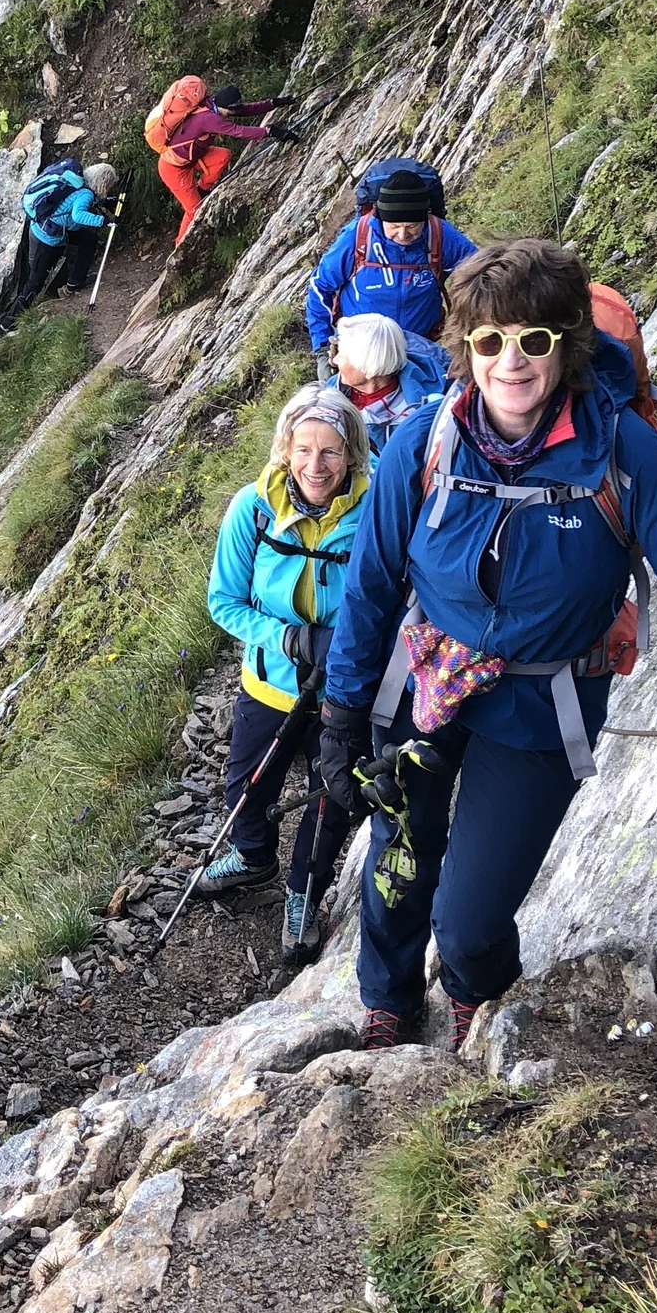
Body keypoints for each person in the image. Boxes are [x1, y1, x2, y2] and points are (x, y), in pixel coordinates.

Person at [317, 239, 657, 1050]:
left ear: (567, 346)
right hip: (426, 680)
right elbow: (371, 586)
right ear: (465, 347)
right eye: (490, 341)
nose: (511, 362)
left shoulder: (624, 453)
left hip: (544, 705)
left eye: (535, 340)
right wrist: (340, 713)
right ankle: (389, 1007)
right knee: (399, 870)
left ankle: (477, 995)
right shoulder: (424, 445)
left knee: (469, 920)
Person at [204, 387, 372, 964]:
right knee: (247, 787)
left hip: (341, 691)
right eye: (304, 449)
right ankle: (253, 856)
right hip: (270, 681)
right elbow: (223, 601)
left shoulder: (376, 512)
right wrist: (288, 636)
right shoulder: (252, 509)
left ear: (352, 454)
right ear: (286, 449)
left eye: (330, 452)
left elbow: (393, 594)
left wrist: (347, 644)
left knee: (329, 798)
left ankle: (303, 896)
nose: (315, 466)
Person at [304, 164, 477, 355]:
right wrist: (322, 346)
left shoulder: (439, 234)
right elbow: (320, 287)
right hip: (359, 351)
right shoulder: (357, 237)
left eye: (412, 226)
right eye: (394, 226)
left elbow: (480, 274)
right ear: (380, 217)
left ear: (425, 219)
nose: (402, 235)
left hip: (420, 349)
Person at [158, 84, 291, 246]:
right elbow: (239, 131)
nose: (232, 114)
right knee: (193, 209)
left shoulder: (212, 105)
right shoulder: (208, 119)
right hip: (174, 169)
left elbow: (245, 110)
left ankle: (202, 189)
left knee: (223, 155)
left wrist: (274, 103)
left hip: (192, 158)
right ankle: (179, 246)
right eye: (232, 111)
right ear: (227, 107)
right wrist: (269, 132)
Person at [4, 161, 120, 325]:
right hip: (46, 240)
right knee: (35, 283)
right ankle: (8, 323)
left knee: (89, 238)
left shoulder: (77, 181)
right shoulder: (86, 194)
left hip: (45, 230)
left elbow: (69, 203)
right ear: (103, 183)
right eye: (109, 186)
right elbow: (77, 216)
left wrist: (103, 201)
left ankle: (75, 282)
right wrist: (105, 221)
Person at [333, 312, 449, 456]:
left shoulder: (417, 414)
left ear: (370, 369)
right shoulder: (332, 389)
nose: (334, 361)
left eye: (343, 357)